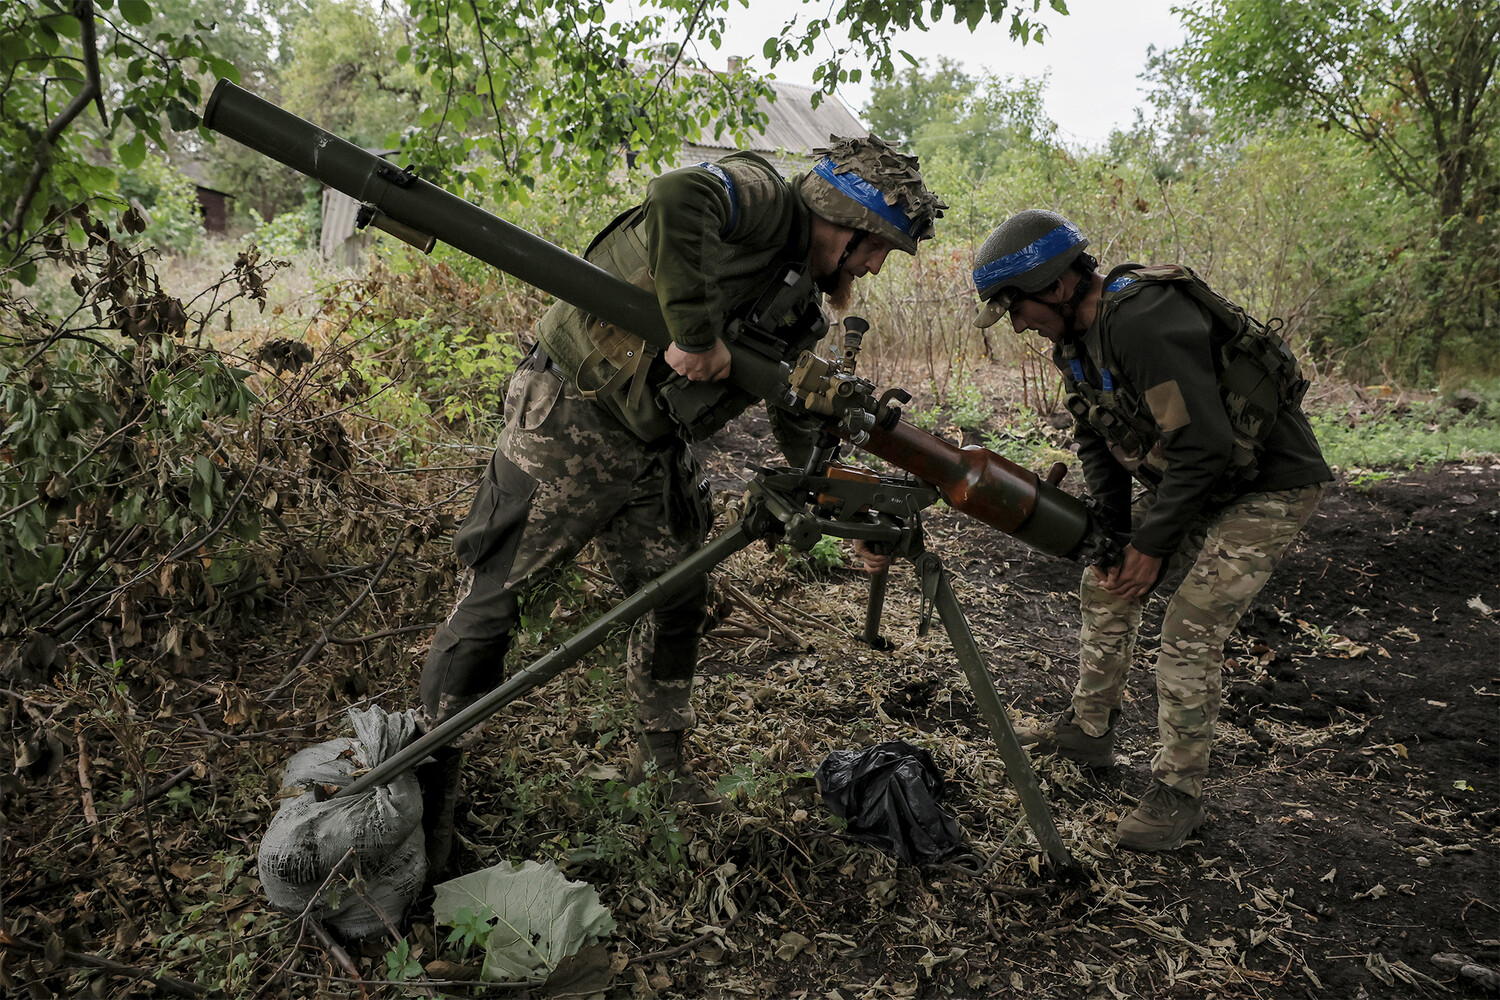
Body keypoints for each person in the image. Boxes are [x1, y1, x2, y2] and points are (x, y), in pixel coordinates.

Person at [418, 135, 946, 871]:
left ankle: (661, 766)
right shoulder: (762, 196)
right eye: (875, 246)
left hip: (652, 446)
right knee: (493, 604)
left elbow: (792, 406)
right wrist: (696, 336)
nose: (873, 265)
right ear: (842, 216)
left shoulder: (800, 306)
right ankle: (423, 799)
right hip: (572, 416)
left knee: (677, 594)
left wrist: (839, 506)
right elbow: (676, 196)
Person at [969, 209, 1332, 851]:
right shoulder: (1074, 343)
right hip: (1203, 481)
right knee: (1105, 582)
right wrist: (1114, 537)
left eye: (1017, 305)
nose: (1018, 322)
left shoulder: (1142, 322)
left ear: (1055, 286)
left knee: (1188, 628)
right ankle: (1090, 729)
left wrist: (1151, 545)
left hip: (1267, 486)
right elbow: (1096, 442)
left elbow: (1205, 445)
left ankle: (1179, 793)